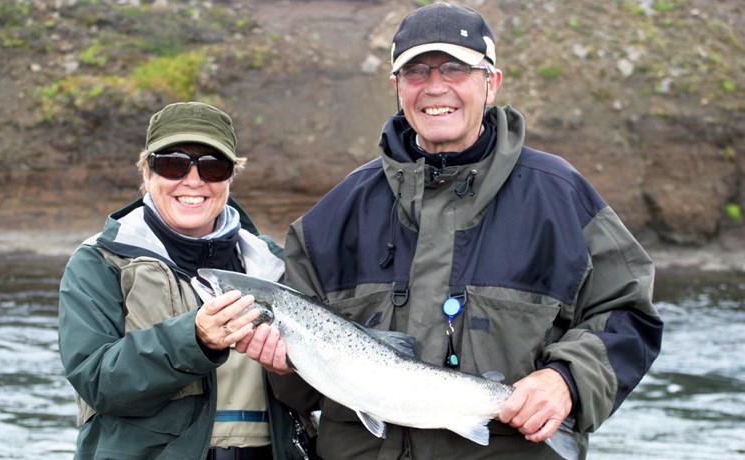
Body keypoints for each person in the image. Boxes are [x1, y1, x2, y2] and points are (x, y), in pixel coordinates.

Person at [253, 3, 664, 459]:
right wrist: (283, 367)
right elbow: (302, 398)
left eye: (455, 68)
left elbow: (630, 314)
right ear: (396, 87)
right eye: (416, 72)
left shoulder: (560, 196)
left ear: (492, 84)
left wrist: (567, 380)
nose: (435, 87)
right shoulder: (331, 217)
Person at [58, 101, 304, 460]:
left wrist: (289, 371)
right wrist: (195, 339)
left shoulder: (274, 264)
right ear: (147, 172)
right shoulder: (98, 261)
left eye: (213, 167)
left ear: (230, 177)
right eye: (173, 164)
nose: (193, 181)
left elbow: (316, 390)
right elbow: (96, 381)